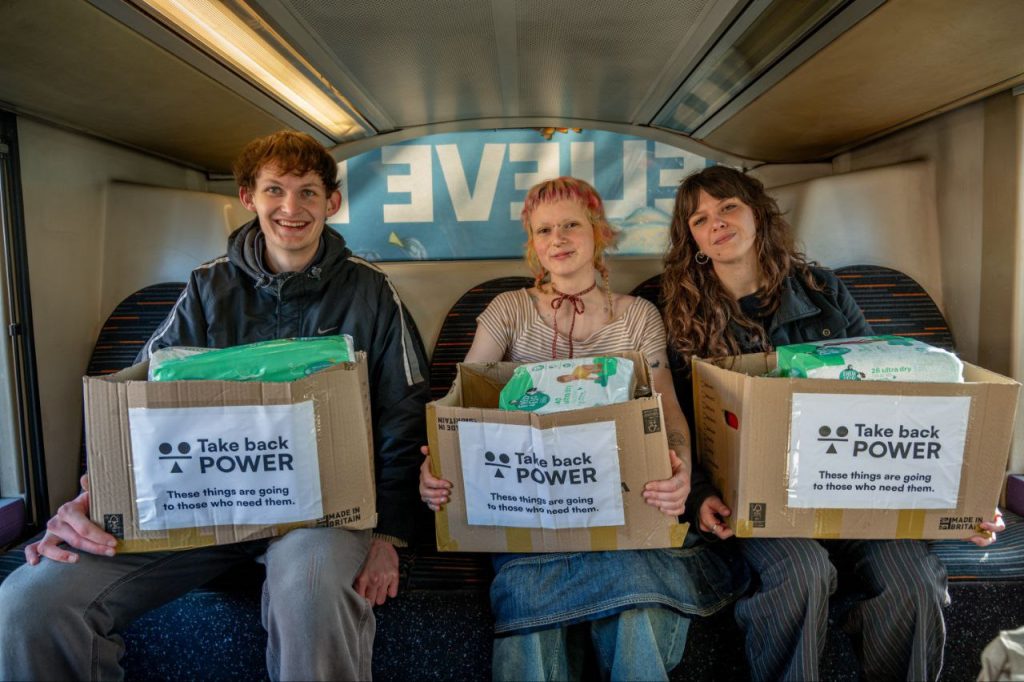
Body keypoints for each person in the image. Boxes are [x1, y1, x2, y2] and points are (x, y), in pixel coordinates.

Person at [0, 130, 430, 681]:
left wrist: (389, 536)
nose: (292, 208)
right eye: (275, 190)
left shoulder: (370, 292)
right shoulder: (207, 286)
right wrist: (94, 497)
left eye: (308, 192)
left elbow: (402, 414)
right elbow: (139, 401)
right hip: (202, 502)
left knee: (311, 597)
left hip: (321, 513)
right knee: (32, 602)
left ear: (333, 202)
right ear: (249, 197)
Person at [661, 164, 1005, 681]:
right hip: (754, 500)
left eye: (728, 206)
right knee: (802, 573)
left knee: (912, 580)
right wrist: (700, 495)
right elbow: (682, 423)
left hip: (851, 484)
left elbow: (889, 391)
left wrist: (960, 498)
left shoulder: (822, 289)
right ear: (694, 240)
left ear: (757, 213)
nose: (717, 223)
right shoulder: (679, 313)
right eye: (700, 219)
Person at [419, 176, 748, 681]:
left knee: (635, 608)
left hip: (621, 501)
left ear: (598, 231)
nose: (558, 239)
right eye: (543, 230)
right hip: (529, 508)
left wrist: (680, 470)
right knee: (531, 612)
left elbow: (667, 408)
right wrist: (436, 464)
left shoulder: (638, 316)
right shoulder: (508, 309)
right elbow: (462, 402)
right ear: (533, 244)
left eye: (571, 225)